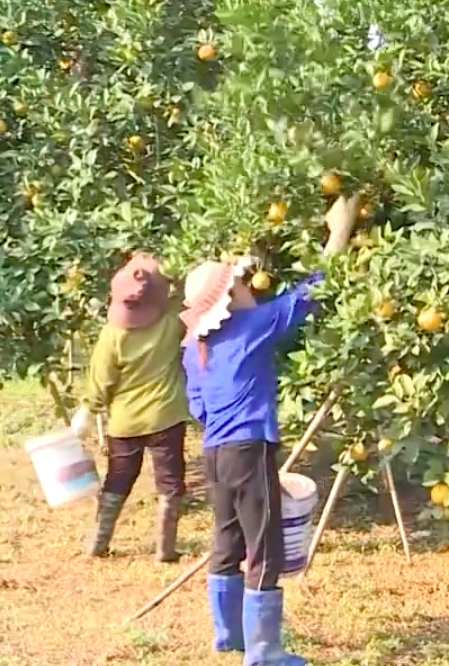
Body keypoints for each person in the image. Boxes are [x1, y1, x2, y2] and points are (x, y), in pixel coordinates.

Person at [182, 194, 356, 666]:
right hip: (248, 448)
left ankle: (228, 635)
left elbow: (196, 405)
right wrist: (338, 232)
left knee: (226, 540)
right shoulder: (250, 326)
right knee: (264, 544)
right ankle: (263, 652)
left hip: (215, 454)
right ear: (234, 296)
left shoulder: (194, 345)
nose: (253, 288)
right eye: (243, 284)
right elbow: (308, 295)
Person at [72, 253, 191, 562]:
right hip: (166, 416)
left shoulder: (113, 335)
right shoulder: (170, 321)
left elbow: (101, 380)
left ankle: (97, 544)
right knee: (170, 482)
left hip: (125, 423)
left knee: (118, 480)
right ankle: (165, 549)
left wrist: (87, 410)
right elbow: (188, 294)